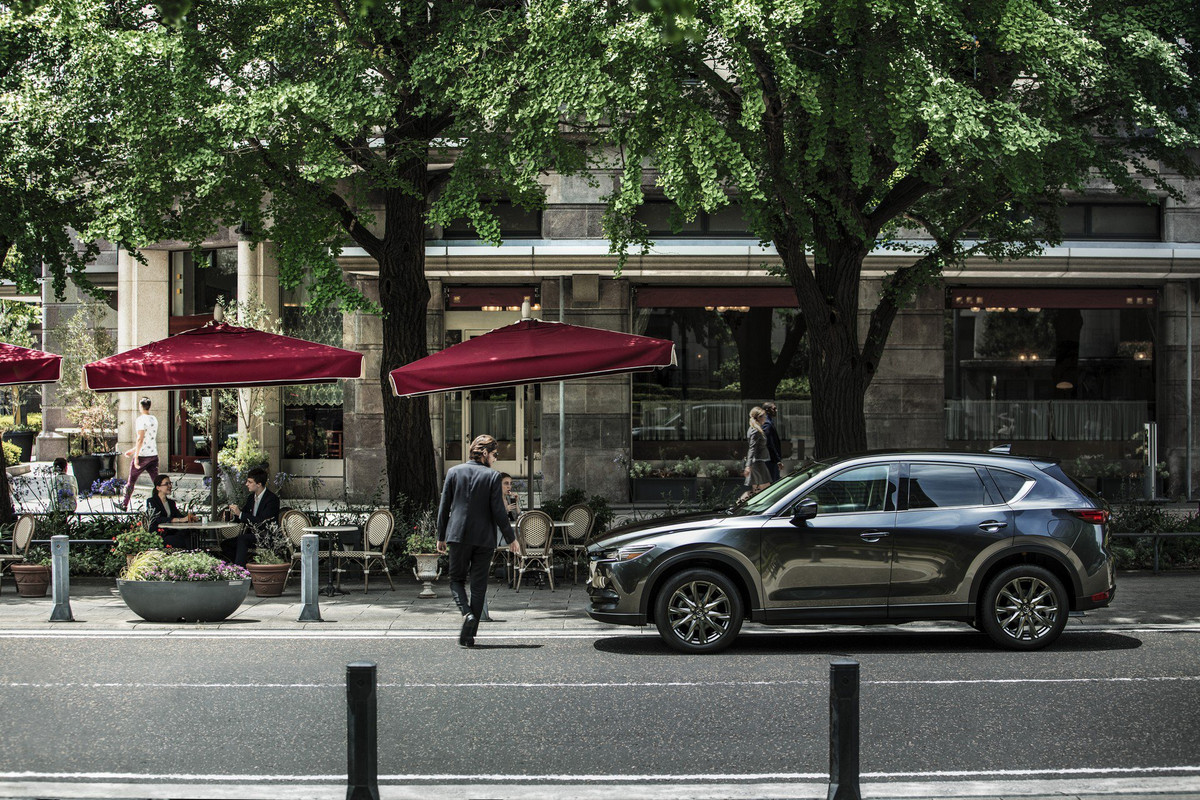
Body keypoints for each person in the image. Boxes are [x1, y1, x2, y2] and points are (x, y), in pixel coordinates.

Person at [436, 434, 521, 648]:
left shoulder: (454, 472)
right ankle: (470, 635)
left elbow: (444, 507)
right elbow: (498, 511)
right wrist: (511, 538)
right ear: (484, 453)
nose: (495, 458)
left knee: (456, 580)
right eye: (494, 454)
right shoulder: (493, 477)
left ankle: (468, 615)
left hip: (458, 535)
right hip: (484, 538)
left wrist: (441, 536)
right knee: (479, 585)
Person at [223, 467, 281, 566]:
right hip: (251, 535)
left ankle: (239, 569)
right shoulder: (251, 498)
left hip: (266, 536)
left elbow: (261, 522)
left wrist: (240, 514)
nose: (246, 484)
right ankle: (244, 567)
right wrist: (233, 516)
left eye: (250, 482)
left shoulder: (272, 499)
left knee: (242, 539)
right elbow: (244, 516)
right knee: (225, 544)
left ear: (259, 484)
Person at [121, 397, 159, 511]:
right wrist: (132, 451)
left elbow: (140, 439)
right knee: (157, 483)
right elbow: (148, 440)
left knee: (131, 481)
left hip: (143, 455)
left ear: (140, 406)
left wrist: (136, 456)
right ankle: (161, 504)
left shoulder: (140, 420)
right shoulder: (154, 419)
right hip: (153, 454)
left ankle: (124, 504)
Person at [146, 475, 197, 548]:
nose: (170, 486)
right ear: (158, 488)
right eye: (166, 484)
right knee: (182, 540)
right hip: (160, 534)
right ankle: (191, 552)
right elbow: (157, 519)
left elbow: (179, 516)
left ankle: (194, 552)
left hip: (171, 532)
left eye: (170, 483)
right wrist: (179, 520)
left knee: (191, 533)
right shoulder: (151, 501)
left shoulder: (171, 502)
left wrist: (189, 518)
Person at [742, 406, 772, 499]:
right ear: (759, 417)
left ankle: (750, 504)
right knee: (765, 488)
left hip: (757, 462)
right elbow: (752, 448)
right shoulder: (755, 430)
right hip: (757, 462)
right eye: (764, 416)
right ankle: (747, 502)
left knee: (757, 488)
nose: (765, 418)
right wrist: (748, 466)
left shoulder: (755, 429)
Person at [762, 401, 784, 483]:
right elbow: (769, 444)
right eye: (774, 409)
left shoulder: (769, 422)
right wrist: (777, 460)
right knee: (773, 483)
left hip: (770, 459)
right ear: (767, 410)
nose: (776, 411)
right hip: (770, 460)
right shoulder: (767, 423)